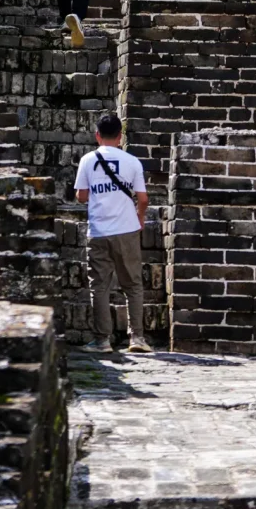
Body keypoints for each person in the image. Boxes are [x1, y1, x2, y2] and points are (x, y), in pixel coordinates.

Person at [74, 113, 151, 354]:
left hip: (98, 231)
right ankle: (137, 337)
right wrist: (140, 216)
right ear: (120, 136)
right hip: (127, 230)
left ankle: (102, 341)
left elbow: (81, 196)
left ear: (97, 135)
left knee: (100, 287)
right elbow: (143, 198)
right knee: (133, 285)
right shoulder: (132, 162)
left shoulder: (87, 160)